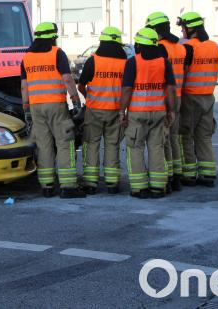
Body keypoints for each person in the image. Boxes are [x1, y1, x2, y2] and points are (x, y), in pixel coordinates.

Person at [21, 22, 85, 199]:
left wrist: (26, 107)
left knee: (44, 145)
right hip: (56, 106)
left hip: (36, 107)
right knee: (65, 143)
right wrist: (75, 100)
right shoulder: (57, 53)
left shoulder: (27, 57)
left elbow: (24, 86)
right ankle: (68, 186)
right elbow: (67, 79)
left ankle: (47, 186)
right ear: (52, 37)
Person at [118, 28, 177, 199]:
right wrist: (171, 110)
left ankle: (139, 188)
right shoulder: (164, 62)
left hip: (137, 114)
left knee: (135, 148)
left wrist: (122, 111)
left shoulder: (133, 63)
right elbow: (171, 89)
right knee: (156, 148)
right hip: (159, 112)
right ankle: (158, 187)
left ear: (139, 44)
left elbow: (127, 89)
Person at [76, 26, 127, 195]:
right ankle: (112, 183)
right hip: (116, 110)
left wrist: (89, 96)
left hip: (94, 110)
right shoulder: (125, 62)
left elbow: (81, 85)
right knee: (112, 145)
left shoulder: (93, 60)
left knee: (91, 145)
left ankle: (91, 183)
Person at [145, 12, 188, 192]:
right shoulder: (179, 47)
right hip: (177, 96)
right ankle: (176, 175)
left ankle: (167, 176)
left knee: (161, 140)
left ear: (155, 30)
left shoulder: (161, 48)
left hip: (164, 97)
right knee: (173, 138)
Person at [176, 12, 218, 187]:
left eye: (183, 27)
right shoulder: (214, 46)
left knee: (185, 135)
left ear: (191, 28)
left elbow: (183, 73)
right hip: (208, 96)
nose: (182, 31)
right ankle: (208, 174)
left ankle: (189, 174)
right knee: (204, 136)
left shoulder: (188, 48)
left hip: (190, 97)